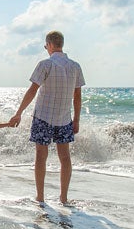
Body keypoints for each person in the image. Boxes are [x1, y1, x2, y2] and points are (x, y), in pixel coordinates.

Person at [9, 31, 85, 204]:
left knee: (41, 156)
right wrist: (77, 119)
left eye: (46, 46)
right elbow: (78, 96)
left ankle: (41, 197)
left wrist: (19, 112)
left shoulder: (45, 64)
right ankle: (63, 198)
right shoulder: (75, 66)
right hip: (65, 118)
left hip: (43, 116)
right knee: (65, 157)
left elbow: (32, 90)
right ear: (61, 44)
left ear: (49, 45)